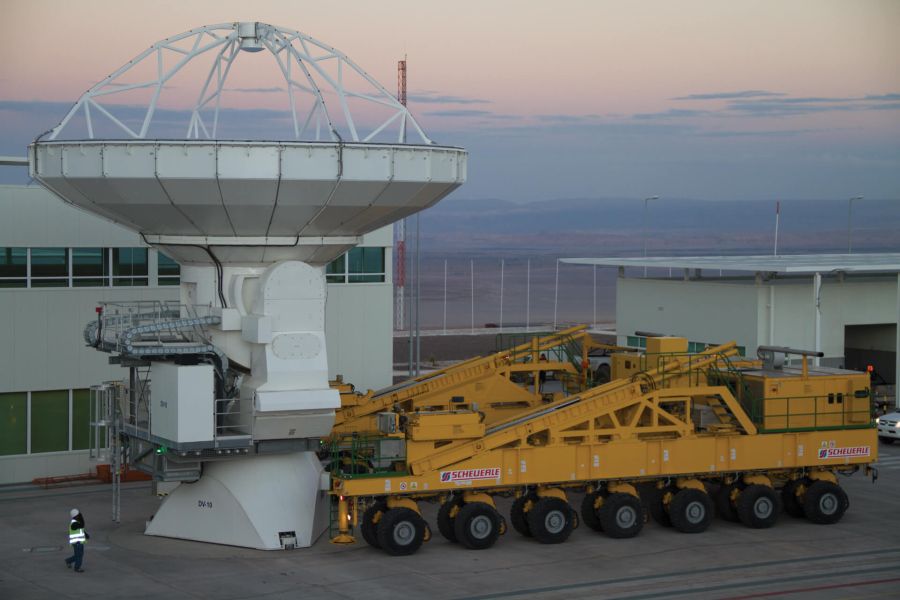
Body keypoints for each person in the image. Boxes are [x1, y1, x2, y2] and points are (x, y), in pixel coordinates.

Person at [65, 508, 89, 573]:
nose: (80, 515)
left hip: (79, 542)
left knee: (78, 555)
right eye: (79, 514)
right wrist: (81, 517)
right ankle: (77, 568)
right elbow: (82, 525)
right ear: (76, 516)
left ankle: (68, 561)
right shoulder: (74, 524)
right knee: (79, 555)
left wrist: (86, 534)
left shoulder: (76, 522)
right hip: (77, 542)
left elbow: (81, 529)